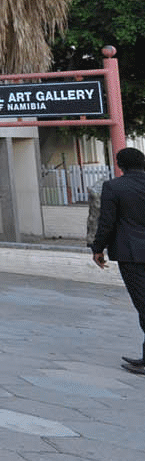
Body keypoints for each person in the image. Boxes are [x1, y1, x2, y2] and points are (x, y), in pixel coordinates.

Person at [90, 146, 145, 373]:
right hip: (132, 253)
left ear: (120, 165)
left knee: (143, 305)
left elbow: (107, 222)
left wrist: (97, 248)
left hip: (131, 254)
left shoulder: (114, 187)